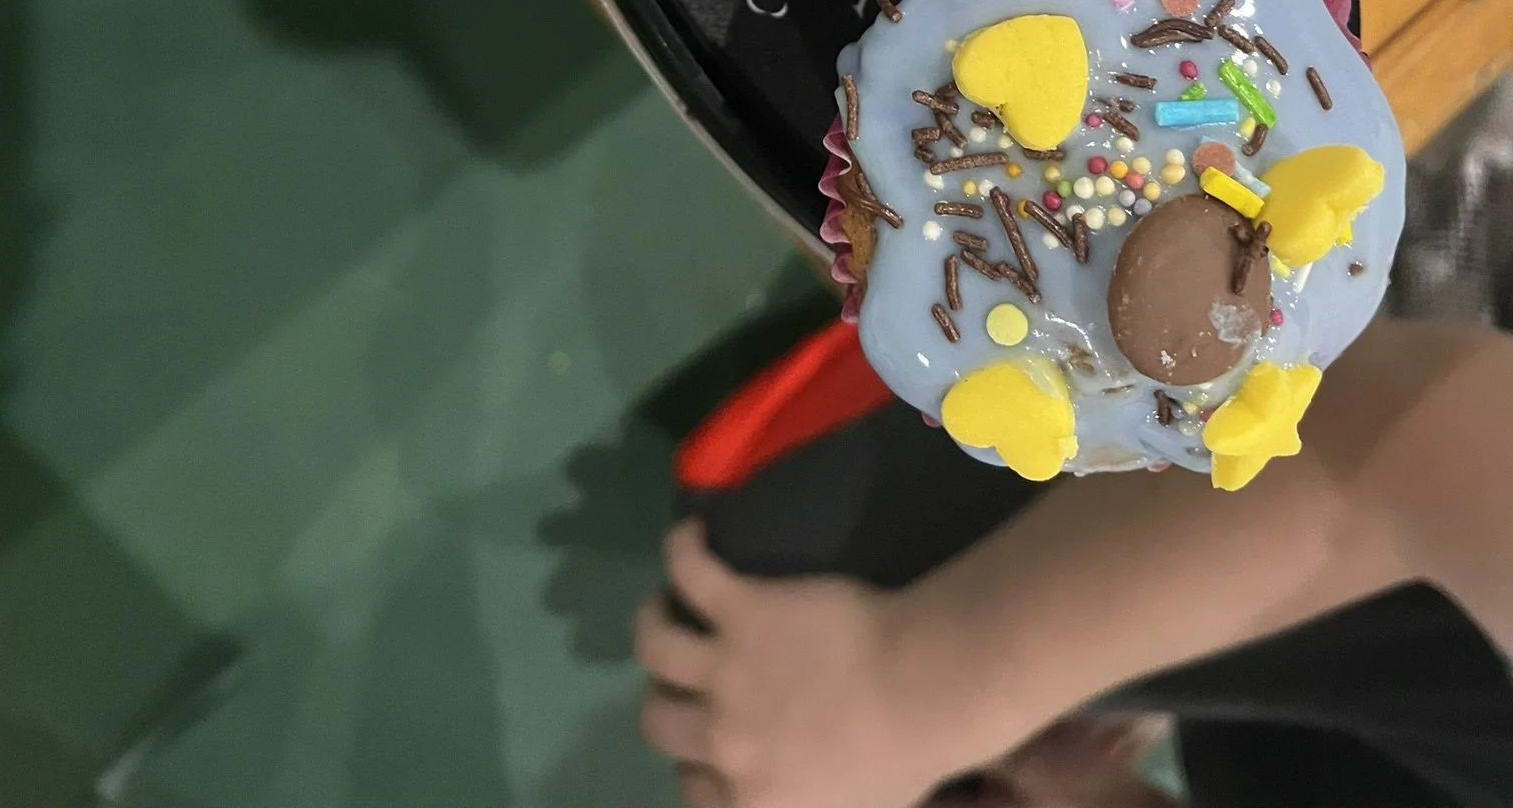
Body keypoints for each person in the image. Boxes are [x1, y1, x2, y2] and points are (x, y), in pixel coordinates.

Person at [634, 317, 1513, 808]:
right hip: (1387, 426)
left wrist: (1093, 794)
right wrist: (906, 690)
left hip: (1384, 712)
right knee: (760, 574)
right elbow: (1404, 423)